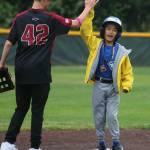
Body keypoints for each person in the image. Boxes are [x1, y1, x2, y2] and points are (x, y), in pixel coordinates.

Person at [0, 0, 98, 150]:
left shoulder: (20, 18)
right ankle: (34, 147)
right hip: (40, 71)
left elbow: (8, 43)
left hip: (22, 70)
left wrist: (1, 64)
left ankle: (7, 143)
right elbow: (77, 23)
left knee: (21, 108)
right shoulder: (51, 19)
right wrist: (88, 7)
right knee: (37, 110)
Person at [80, 4, 134, 150]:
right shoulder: (96, 44)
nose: (111, 32)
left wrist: (126, 85)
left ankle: (116, 143)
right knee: (99, 117)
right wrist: (89, 10)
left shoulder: (121, 51)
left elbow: (128, 72)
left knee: (111, 116)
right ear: (104, 30)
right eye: (109, 28)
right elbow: (85, 31)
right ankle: (101, 143)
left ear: (118, 33)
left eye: (115, 30)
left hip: (114, 88)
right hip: (98, 85)